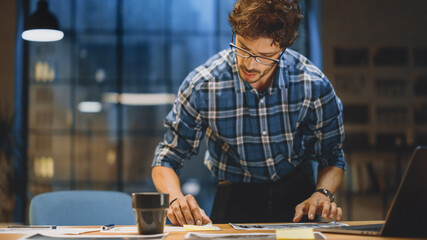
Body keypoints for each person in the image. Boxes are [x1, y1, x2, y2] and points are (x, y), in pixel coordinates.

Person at [152, 0, 345, 226]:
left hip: (299, 198)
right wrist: (175, 199)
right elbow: (167, 157)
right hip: (234, 196)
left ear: (285, 46)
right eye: (242, 48)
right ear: (235, 33)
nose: (249, 64)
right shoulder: (203, 85)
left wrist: (323, 193)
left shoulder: (313, 84)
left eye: (264, 55)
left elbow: (332, 155)